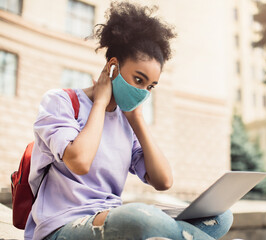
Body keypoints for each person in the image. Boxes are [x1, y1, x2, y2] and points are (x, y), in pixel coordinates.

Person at [24, 2, 233, 240]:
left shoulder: (127, 123)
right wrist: (101, 104)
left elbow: (163, 181)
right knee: (139, 218)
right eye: (138, 79)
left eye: (150, 87)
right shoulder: (61, 102)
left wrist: (137, 118)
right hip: (62, 226)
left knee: (221, 216)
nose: (143, 92)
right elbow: (79, 161)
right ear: (113, 66)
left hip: (111, 220)